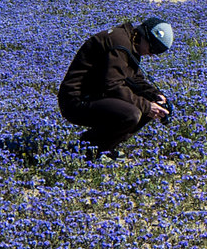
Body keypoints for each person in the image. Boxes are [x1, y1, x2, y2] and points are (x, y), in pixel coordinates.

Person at [58, 16, 174, 157]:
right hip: (76, 101)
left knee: (152, 104)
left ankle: (104, 147)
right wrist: (147, 106)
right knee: (132, 114)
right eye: (153, 48)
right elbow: (112, 85)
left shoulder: (131, 42)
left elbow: (134, 78)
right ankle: (89, 147)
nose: (151, 54)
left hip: (95, 95)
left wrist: (154, 95)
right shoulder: (120, 45)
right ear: (144, 35)